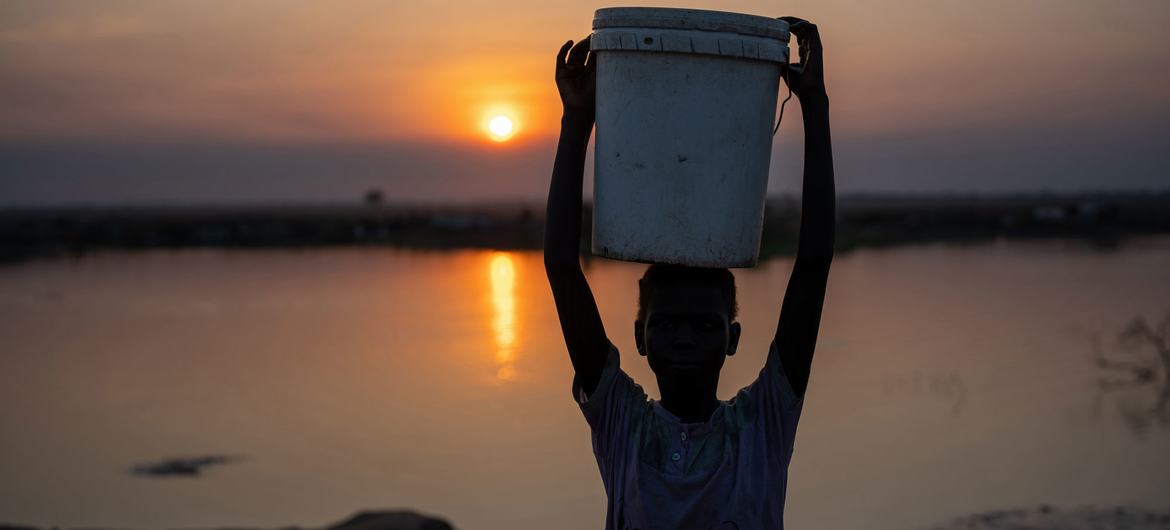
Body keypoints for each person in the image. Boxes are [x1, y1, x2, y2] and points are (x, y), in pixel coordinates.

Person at [544, 16, 834, 530]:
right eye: (666, 324)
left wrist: (815, 104)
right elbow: (563, 269)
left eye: (704, 326)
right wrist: (577, 120)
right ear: (639, 336)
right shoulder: (621, 422)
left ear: (732, 338)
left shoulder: (763, 422)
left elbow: (812, 267)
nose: (683, 339)